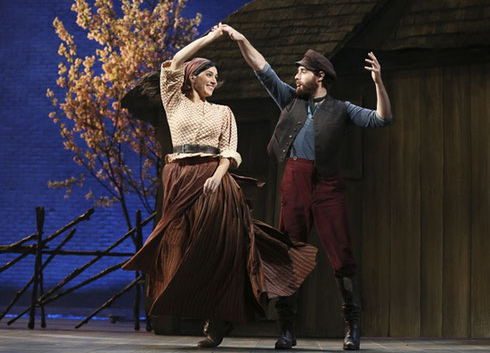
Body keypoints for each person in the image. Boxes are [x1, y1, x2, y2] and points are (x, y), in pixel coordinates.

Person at [121, 24, 317, 349]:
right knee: (179, 245)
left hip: (215, 181)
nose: (213, 81)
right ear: (192, 76)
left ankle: (218, 319)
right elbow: (172, 63)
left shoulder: (224, 112)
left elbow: (230, 150)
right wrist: (210, 39)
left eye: (216, 78)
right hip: (180, 177)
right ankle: (187, 302)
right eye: (208, 75)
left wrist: (217, 174)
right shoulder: (174, 101)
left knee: (221, 246)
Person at [222, 24, 393, 351]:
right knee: (288, 253)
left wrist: (379, 83)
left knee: (341, 254)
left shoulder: (342, 109)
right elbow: (262, 70)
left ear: (320, 77)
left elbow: (382, 119)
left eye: (302, 71)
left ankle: (352, 327)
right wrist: (243, 39)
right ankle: (286, 329)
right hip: (295, 179)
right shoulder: (290, 99)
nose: (296, 76)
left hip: (328, 185)